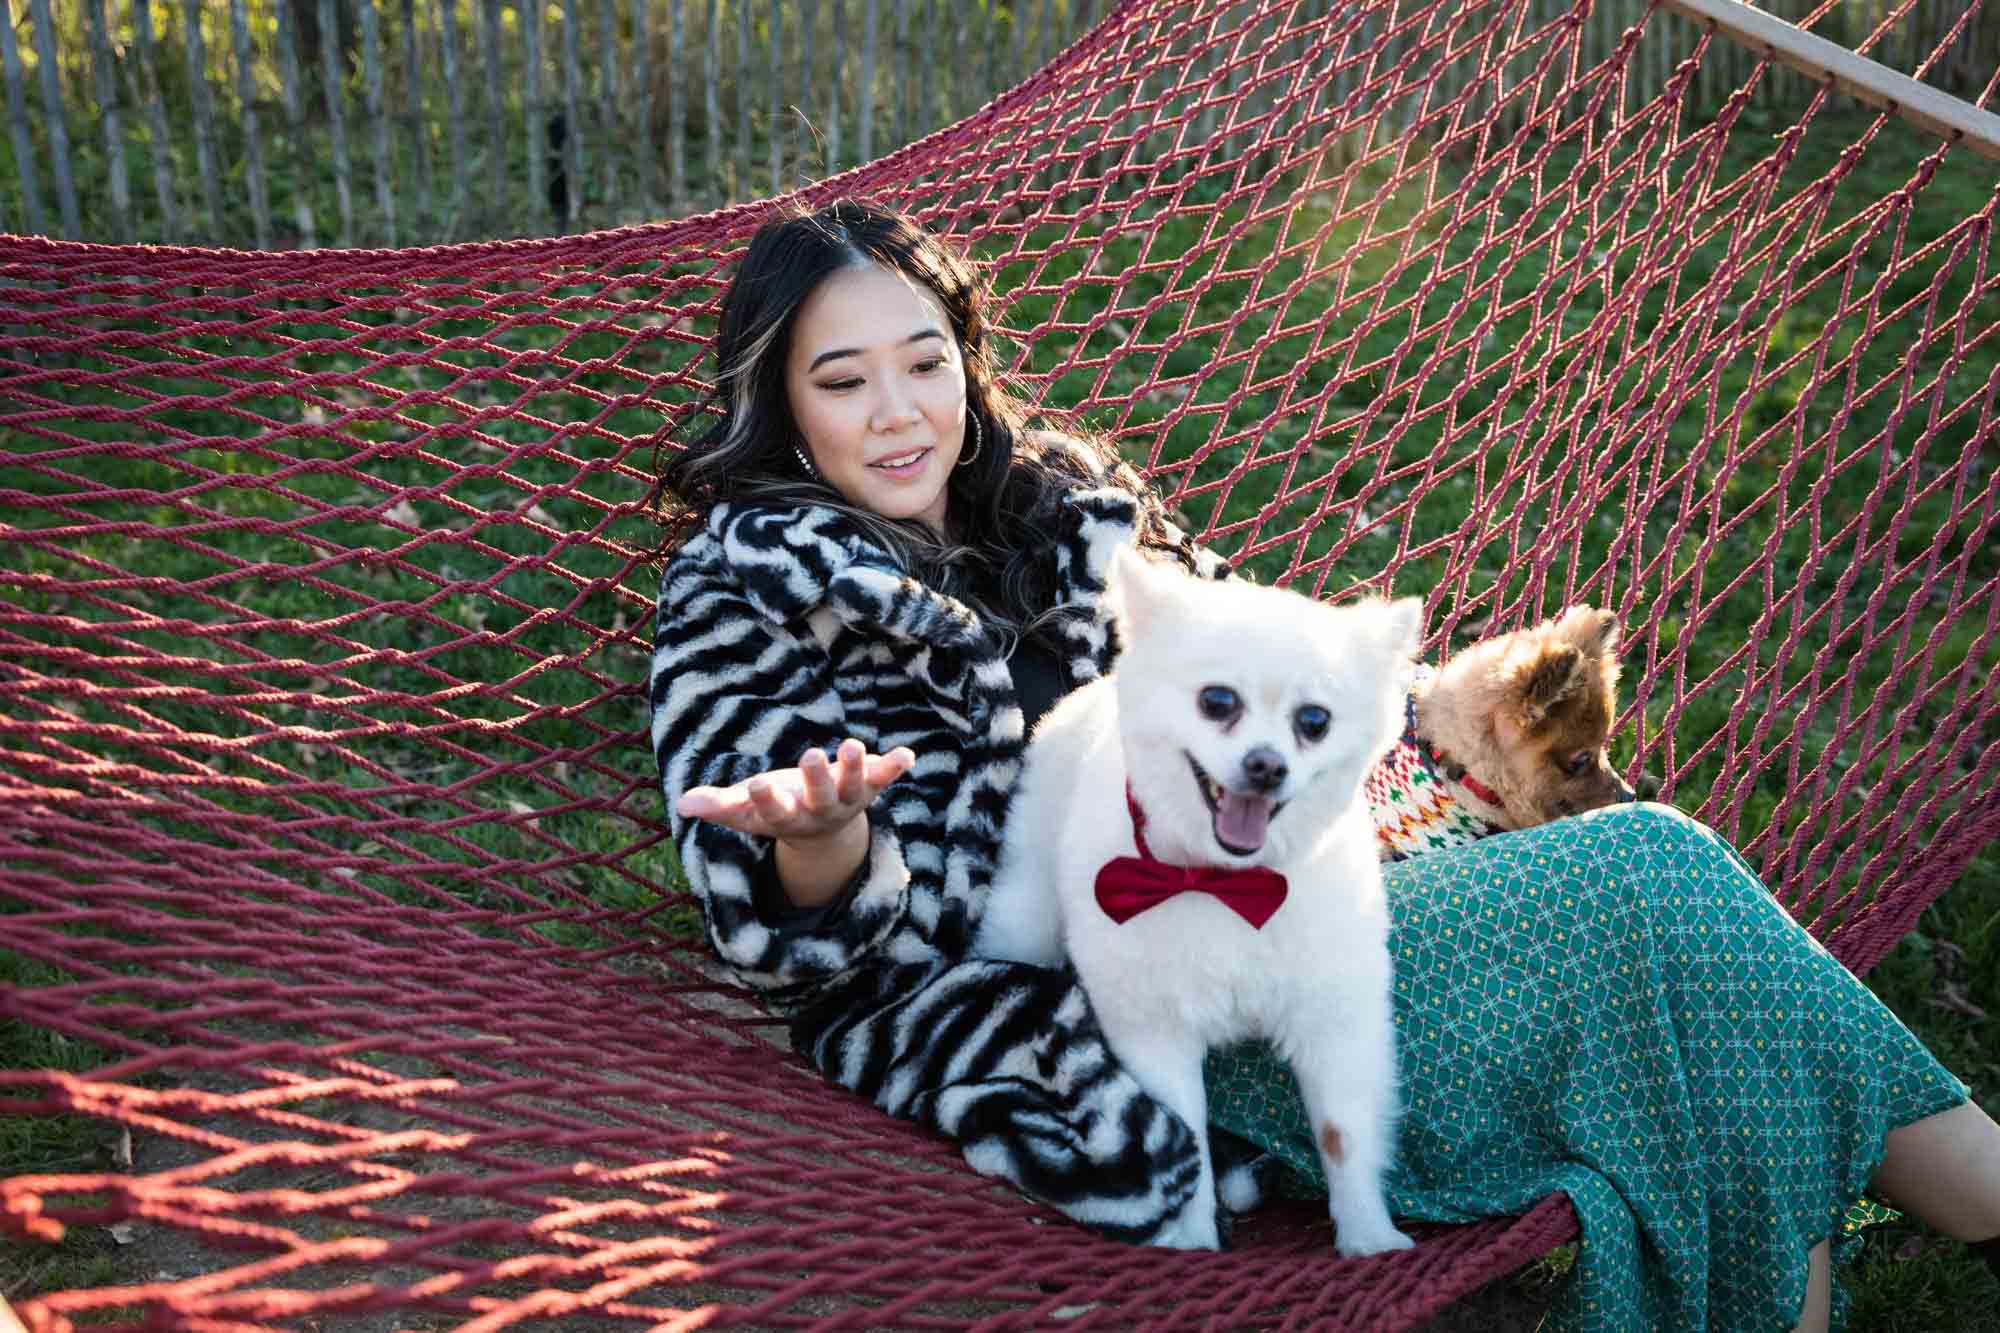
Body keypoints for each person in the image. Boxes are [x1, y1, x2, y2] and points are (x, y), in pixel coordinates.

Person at [649, 199, 2000, 1332]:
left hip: (1282, 915)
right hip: (1077, 1011)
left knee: (1678, 949)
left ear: (966, 356)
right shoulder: (747, 591)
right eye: (842, 380)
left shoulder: (1060, 511)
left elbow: (1276, 668)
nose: (898, 411)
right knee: (1648, 884)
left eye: (925, 359)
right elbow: (782, 929)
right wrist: (818, 841)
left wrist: (1414, 703)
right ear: (778, 401)